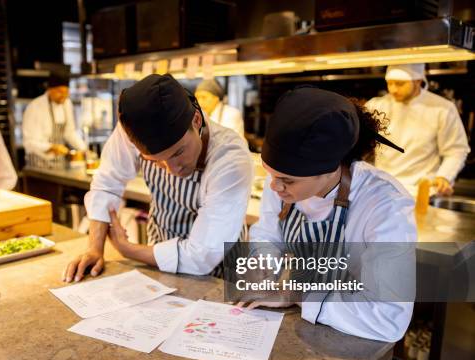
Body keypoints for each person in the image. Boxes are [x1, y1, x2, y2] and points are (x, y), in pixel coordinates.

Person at [247, 86, 415, 342]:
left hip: (358, 340)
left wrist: (298, 295)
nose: (274, 187)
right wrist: (263, 268)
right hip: (297, 327)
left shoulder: (385, 204)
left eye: (287, 181)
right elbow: (268, 234)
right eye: (271, 175)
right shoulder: (283, 187)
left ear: (330, 170)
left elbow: (389, 317)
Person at [64, 74, 253, 282]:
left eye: (178, 153)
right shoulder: (135, 128)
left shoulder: (230, 157)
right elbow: (107, 184)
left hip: (222, 276)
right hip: (160, 266)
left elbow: (202, 256)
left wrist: (128, 250)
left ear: (197, 120)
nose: (171, 170)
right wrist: (94, 249)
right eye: (155, 162)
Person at [366, 64, 470, 196]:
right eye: (389, 83)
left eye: (400, 84)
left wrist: (444, 176)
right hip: (382, 190)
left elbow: (456, 150)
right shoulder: (376, 105)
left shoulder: (442, 108)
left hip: (420, 193)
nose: (393, 89)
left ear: (418, 81)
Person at [22, 72, 86, 168]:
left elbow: (69, 132)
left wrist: (84, 149)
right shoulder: (35, 107)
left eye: (66, 92)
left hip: (59, 163)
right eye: (60, 92)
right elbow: (29, 142)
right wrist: (51, 148)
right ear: (50, 90)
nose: (64, 96)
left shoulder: (67, 104)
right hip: (38, 164)